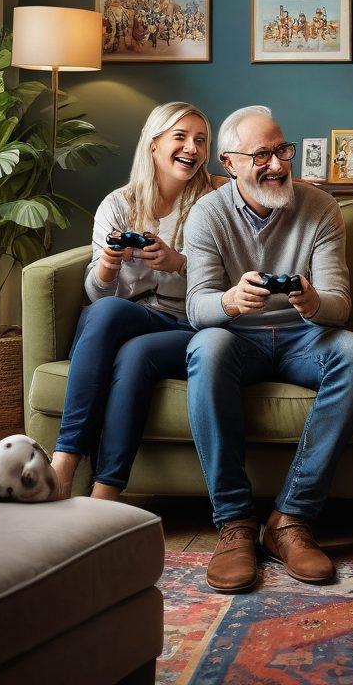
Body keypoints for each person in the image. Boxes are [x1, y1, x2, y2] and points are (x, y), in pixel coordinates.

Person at [183, 106, 353, 594]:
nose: (277, 163)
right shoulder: (206, 214)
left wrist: (315, 301)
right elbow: (196, 307)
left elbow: (341, 304)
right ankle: (234, 523)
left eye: (282, 150)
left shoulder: (320, 208)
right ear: (229, 163)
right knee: (206, 347)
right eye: (261, 155)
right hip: (238, 338)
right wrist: (228, 301)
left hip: (302, 337)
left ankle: (290, 518)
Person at [50, 103, 213, 501]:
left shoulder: (215, 201)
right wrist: (106, 266)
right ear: (154, 144)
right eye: (181, 137)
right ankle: (65, 463)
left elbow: (231, 277)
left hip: (191, 324)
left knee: (135, 351)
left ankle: (104, 490)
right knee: (105, 309)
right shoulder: (119, 205)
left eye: (201, 140)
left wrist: (178, 263)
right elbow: (97, 293)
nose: (192, 148)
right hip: (129, 318)